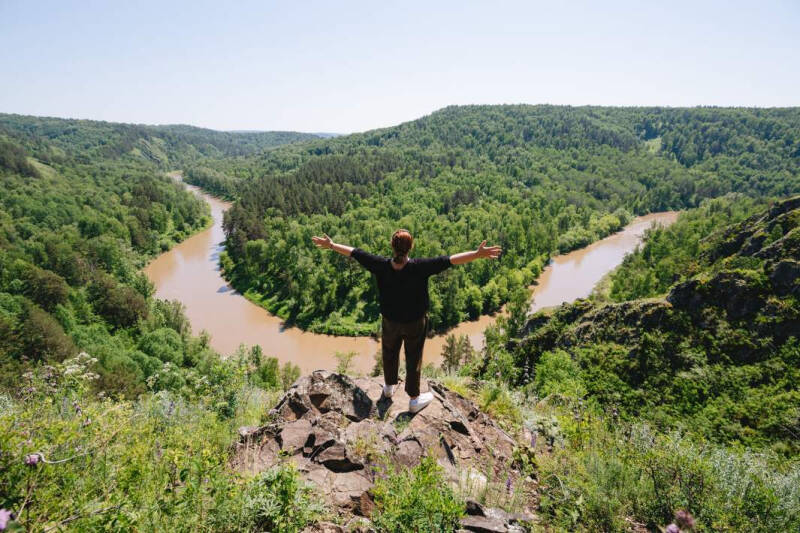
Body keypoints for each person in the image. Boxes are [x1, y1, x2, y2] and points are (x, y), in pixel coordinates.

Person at [311, 229, 501, 413]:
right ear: (411, 247)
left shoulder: (381, 265)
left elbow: (355, 253)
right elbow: (451, 260)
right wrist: (477, 254)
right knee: (413, 357)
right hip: (415, 323)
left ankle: (388, 388)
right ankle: (413, 399)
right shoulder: (420, 267)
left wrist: (332, 245)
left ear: (391, 246)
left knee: (389, 351)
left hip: (390, 321)